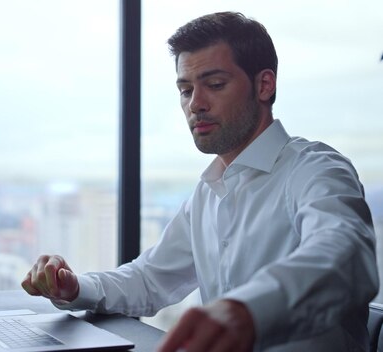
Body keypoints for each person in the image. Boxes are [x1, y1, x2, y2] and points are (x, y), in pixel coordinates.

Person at [21, 11, 379, 352]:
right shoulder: (209, 191)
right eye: (185, 89)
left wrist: (247, 311)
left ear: (264, 85)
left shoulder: (316, 169)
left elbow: (345, 259)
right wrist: (74, 285)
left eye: (215, 84)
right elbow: (150, 279)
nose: (196, 104)